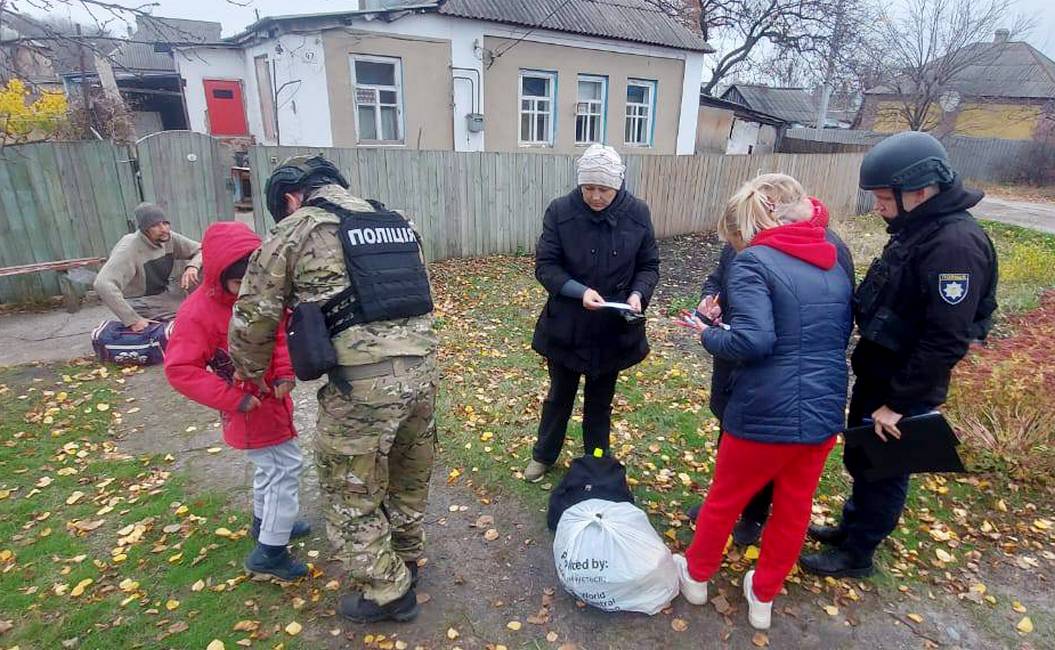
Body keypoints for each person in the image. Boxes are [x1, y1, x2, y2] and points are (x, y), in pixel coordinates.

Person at [228, 155, 438, 624]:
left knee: (350, 488)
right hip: (423, 374)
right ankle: (404, 558)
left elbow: (253, 318)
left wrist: (251, 371)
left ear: (289, 198)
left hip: (361, 386)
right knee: (408, 473)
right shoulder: (396, 221)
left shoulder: (295, 230)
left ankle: (387, 593)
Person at [800, 131, 998, 578]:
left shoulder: (954, 245)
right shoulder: (921, 228)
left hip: (903, 386)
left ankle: (858, 554)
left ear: (919, 190)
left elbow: (946, 338)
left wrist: (899, 404)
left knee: (885, 470)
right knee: (865, 461)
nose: (878, 207)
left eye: (885, 198)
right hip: (882, 372)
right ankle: (852, 528)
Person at [672, 174, 853, 631]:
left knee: (724, 499)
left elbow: (755, 340)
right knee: (794, 509)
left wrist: (708, 334)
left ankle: (696, 576)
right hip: (822, 412)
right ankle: (764, 594)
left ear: (746, 228)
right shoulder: (833, 258)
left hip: (763, 412)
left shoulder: (754, 262)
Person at [164, 221, 310, 581]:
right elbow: (181, 368)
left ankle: (268, 526)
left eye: (253, 280)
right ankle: (270, 554)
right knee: (284, 468)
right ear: (218, 276)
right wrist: (233, 399)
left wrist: (284, 372)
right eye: (238, 282)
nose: (248, 289)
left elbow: (276, 334)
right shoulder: (197, 314)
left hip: (272, 402)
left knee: (271, 468)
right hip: (249, 410)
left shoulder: (258, 298)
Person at [524, 143, 660, 482]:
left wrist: (638, 294)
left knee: (600, 402)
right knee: (559, 396)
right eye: (589, 188)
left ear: (617, 185)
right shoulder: (560, 211)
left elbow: (649, 265)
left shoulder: (637, 214)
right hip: (567, 326)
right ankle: (544, 455)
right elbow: (546, 266)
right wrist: (578, 291)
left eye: (603, 189)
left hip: (613, 331)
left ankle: (597, 459)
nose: (596, 196)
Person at [94, 202, 202, 331]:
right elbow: (102, 284)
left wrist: (193, 267)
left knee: (199, 307)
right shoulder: (129, 248)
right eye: (155, 225)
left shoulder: (168, 237)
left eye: (165, 223)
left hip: (163, 294)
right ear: (144, 229)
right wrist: (132, 320)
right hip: (140, 300)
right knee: (190, 321)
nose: (164, 229)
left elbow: (203, 249)